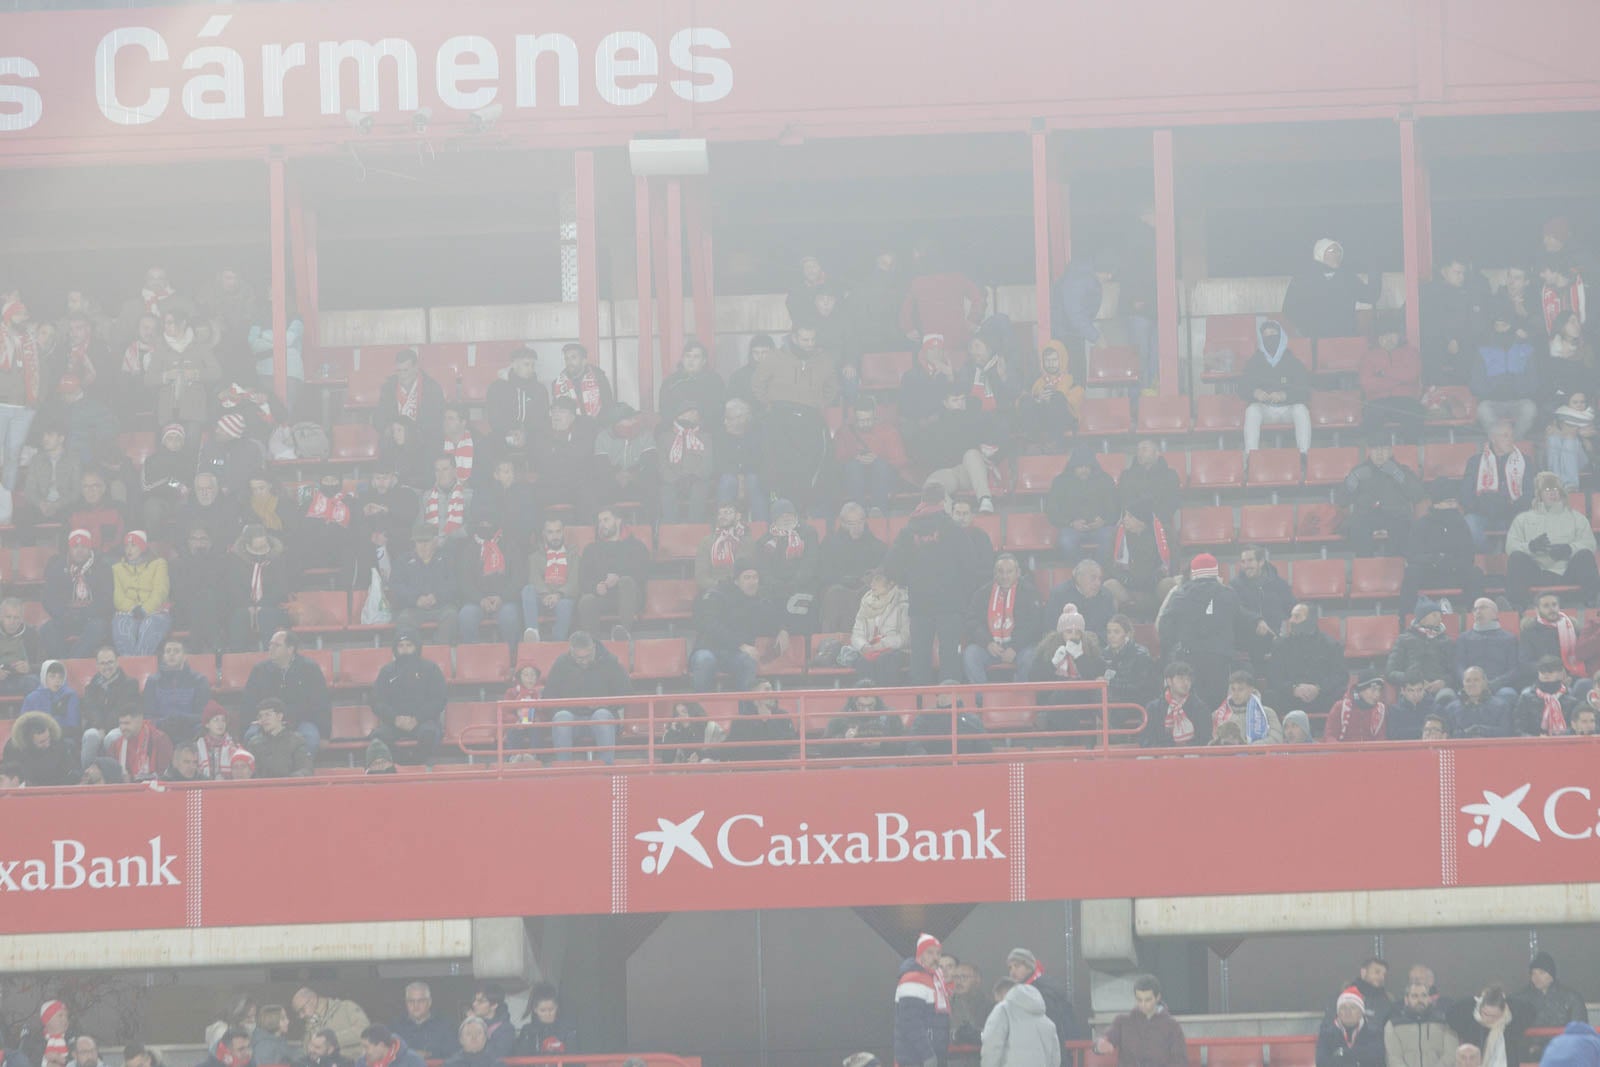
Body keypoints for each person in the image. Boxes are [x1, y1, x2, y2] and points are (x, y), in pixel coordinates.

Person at [1159, 554, 1272, 709]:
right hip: (1220, 660)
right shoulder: (1227, 593)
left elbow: (1165, 627)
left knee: (1191, 706)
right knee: (1217, 707)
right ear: (1215, 572)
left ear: (1194, 572)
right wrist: (1257, 620)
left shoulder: (1180, 595)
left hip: (1189, 658)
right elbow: (1241, 618)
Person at [886, 485, 969, 685]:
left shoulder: (908, 530)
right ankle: (949, 705)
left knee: (919, 656)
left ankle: (919, 704)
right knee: (949, 655)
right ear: (942, 502)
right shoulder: (952, 529)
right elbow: (969, 563)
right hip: (949, 604)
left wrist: (910, 581)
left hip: (919, 603)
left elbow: (892, 565)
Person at [1505, 471, 1600, 608]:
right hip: (1537, 571)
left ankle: (1593, 603)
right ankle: (1516, 606)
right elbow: (1511, 546)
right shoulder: (1523, 519)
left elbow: (1589, 544)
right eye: (1547, 489)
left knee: (1585, 556)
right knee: (1516, 558)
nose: (1552, 493)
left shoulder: (1577, 518)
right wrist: (1530, 547)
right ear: (1539, 494)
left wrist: (1570, 549)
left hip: (1566, 571)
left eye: (1555, 489)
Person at [691, 565, 788, 692]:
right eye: (747, 578)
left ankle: (746, 710)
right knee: (704, 660)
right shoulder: (718, 595)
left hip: (735, 654)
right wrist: (740, 645)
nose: (752, 582)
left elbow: (772, 618)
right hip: (709, 648)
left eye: (755, 577)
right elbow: (711, 625)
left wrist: (782, 629)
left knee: (747, 661)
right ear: (736, 581)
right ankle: (700, 708)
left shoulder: (759, 601)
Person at [916, 383, 1003, 515]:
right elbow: (927, 454)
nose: (960, 403)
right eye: (955, 400)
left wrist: (990, 455)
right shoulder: (936, 426)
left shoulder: (976, 419)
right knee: (931, 484)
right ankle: (952, 512)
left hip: (969, 471)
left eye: (962, 399)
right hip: (948, 471)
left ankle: (985, 500)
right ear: (945, 403)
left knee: (971, 454)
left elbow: (996, 441)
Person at [541, 631, 626, 764]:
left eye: (588, 656)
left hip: (602, 717)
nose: (584, 661)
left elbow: (626, 692)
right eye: (579, 658)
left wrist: (604, 705)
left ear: (593, 648)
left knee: (602, 715)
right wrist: (567, 707)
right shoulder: (561, 663)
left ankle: (608, 769)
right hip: (572, 719)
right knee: (561, 717)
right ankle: (564, 771)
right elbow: (548, 696)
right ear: (571, 651)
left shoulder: (610, 661)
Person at [242, 630, 330, 752]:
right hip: (266, 721)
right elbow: (248, 703)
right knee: (251, 737)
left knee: (311, 737)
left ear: (290, 649)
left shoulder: (310, 669)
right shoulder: (259, 671)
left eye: (276, 645)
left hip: (300, 722)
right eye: (270, 645)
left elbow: (322, 703)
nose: (271, 649)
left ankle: (299, 769)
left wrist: (325, 735)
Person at [370, 627, 447, 764]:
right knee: (378, 737)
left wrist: (417, 719)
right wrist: (395, 718)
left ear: (416, 647)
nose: (405, 649)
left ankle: (416, 763)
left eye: (409, 645)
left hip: (423, 721)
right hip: (394, 722)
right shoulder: (387, 671)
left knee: (429, 734)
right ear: (395, 648)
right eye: (401, 646)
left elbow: (438, 700)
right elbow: (377, 701)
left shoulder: (430, 669)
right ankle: (402, 763)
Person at [963, 554, 1043, 684]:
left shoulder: (1030, 592)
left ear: (1018, 573)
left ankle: (1021, 699)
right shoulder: (982, 593)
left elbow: (1034, 624)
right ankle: (982, 700)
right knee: (970, 654)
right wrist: (987, 643)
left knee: (1031, 657)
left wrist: (1015, 647)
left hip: (1020, 648)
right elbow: (972, 621)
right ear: (995, 573)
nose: (1005, 576)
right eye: (1001, 572)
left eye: (1009, 572)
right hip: (990, 647)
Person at [1402, 482, 1484, 608]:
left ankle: (1474, 618)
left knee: (1475, 573)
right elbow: (1412, 555)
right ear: (1437, 504)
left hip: (1454, 572)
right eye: (1448, 502)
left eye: (1453, 502)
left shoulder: (1460, 524)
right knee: (1411, 573)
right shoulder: (1422, 524)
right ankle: (1405, 619)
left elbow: (1468, 555)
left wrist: (1450, 561)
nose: (1452, 506)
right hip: (1429, 574)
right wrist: (1435, 559)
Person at [1336, 439, 1424, 556]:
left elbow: (1417, 496)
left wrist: (1398, 476)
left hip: (1395, 515)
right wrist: (1353, 480)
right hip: (1366, 515)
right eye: (1375, 449)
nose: (1379, 453)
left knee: (1402, 528)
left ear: (1390, 452)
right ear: (1369, 451)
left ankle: (1394, 568)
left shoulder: (1402, 470)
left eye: (1383, 449)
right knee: (1357, 528)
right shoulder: (1359, 471)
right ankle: (1366, 568)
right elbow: (1342, 501)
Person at [1241, 318, 1313, 459]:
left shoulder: (1292, 361)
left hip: (1288, 409)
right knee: (1252, 410)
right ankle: (1251, 457)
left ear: (1281, 337)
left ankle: (1304, 455)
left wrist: (1284, 395)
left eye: (1273, 334)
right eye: (1266, 336)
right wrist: (1255, 393)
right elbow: (1242, 386)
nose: (1270, 338)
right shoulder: (1255, 360)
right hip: (1265, 410)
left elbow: (1304, 389)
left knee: (1301, 410)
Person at [1284, 238, 1381, 339]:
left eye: (1339, 251)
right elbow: (1289, 308)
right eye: (1332, 251)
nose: (1337, 254)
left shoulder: (1347, 278)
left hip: (1344, 338)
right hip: (1315, 339)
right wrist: (1307, 328)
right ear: (1320, 253)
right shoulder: (1303, 278)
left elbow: (1371, 295)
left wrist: (1374, 270)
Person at [40, 529, 113, 660]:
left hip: (91, 618)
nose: (79, 550)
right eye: (75, 547)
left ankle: (69, 664)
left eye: (83, 547)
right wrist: (62, 614)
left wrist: (88, 612)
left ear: (90, 548)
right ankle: (64, 662)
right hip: (65, 617)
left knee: (99, 627)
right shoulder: (57, 566)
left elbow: (107, 599)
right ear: (69, 548)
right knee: (47, 629)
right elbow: (48, 597)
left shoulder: (102, 567)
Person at [1266, 603, 1349, 718]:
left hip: (1321, 698)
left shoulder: (1330, 645)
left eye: (1297, 617)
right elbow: (1274, 676)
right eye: (1291, 616)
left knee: (1340, 694)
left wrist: (1318, 688)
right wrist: (1293, 689)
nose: (1291, 621)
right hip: (1291, 698)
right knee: (1270, 696)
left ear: (1310, 620)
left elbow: (1341, 675)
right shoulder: (1280, 645)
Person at [577, 506, 649, 637]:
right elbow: (583, 579)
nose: (602, 524)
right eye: (599, 521)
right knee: (586, 600)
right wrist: (595, 587)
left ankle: (623, 633)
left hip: (630, 598)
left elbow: (643, 573)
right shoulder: (591, 549)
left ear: (618, 521)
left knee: (626, 582)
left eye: (606, 520)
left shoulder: (636, 546)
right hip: (604, 598)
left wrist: (619, 578)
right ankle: (591, 644)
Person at [1470, 301, 1540, 436]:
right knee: (1483, 410)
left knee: (1530, 409)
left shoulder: (1526, 349)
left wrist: (1519, 389)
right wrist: (1491, 390)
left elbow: (1534, 381)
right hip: (1492, 401)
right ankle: (1500, 443)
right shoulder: (1484, 350)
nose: (1501, 329)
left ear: (1512, 326)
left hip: (1518, 401)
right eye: (1497, 325)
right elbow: (1475, 383)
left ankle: (1514, 443)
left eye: (1505, 325)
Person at [818, 502, 888, 632]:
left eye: (860, 522)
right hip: (839, 590)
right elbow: (821, 573)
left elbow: (887, 566)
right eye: (851, 523)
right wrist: (842, 579)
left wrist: (874, 575)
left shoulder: (876, 545)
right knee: (835, 594)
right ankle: (829, 642)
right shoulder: (830, 544)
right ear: (843, 523)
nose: (856, 527)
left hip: (865, 590)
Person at [1461, 422, 1532, 550]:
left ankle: (1515, 558)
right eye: (1505, 436)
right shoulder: (1476, 462)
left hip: (1514, 512)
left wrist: (1511, 506)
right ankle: (1488, 558)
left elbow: (1530, 493)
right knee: (1469, 522)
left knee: (1528, 520)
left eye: (1511, 436)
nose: (1510, 440)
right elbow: (1466, 494)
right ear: (1493, 438)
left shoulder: (1524, 461)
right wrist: (1484, 505)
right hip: (1483, 513)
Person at [833, 397, 907, 517]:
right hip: (853, 476)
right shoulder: (844, 432)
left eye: (869, 420)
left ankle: (878, 511)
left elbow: (900, 460)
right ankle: (857, 512)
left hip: (883, 476)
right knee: (853, 466)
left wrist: (878, 459)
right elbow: (838, 459)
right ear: (854, 419)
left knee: (880, 465)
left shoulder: (888, 431)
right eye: (861, 420)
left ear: (875, 416)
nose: (865, 423)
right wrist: (854, 458)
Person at [454, 520, 523, 646]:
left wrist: (502, 597)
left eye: (488, 522)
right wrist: (480, 599)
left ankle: (511, 655)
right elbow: (464, 582)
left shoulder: (510, 546)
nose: (485, 526)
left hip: (505, 600)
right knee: (466, 616)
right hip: (477, 602)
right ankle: (472, 657)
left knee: (510, 616)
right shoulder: (468, 549)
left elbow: (518, 578)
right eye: (482, 523)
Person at [1092, 975, 1186, 1067]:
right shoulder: (1123, 1022)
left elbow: (1179, 1061)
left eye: (1148, 1000)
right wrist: (1099, 1046)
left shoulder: (1172, 1027)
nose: (1143, 1004)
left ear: (1158, 997)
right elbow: (1104, 1040)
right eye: (1139, 1000)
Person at [1045, 445, 1117, 563]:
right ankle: (1081, 572)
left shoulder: (1105, 480)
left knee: (1110, 537)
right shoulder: (1060, 482)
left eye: (1087, 466)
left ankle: (1098, 570)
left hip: (1101, 527)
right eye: (1080, 467)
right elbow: (1052, 511)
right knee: (1066, 541)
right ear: (1073, 467)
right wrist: (1071, 523)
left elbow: (1114, 508)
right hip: (1071, 528)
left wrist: (1104, 521)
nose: (1084, 470)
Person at [226, 524, 291, 652]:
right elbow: (233, 588)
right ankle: (238, 660)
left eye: (264, 547)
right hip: (243, 606)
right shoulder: (235, 562)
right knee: (240, 616)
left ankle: (272, 657)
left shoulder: (279, 560)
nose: (261, 552)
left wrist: (261, 606)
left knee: (265, 614)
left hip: (274, 607)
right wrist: (248, 606)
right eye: (257, 549)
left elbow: (281, 588)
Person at [390, 525, 459, 643]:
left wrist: (437, 597)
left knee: (451, 616)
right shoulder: (403, 560)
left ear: (435, 541)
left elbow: (453, 584)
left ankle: (440, 653)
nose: (422, 546)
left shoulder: (447, 559)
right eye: (419, 542)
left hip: (441, 606)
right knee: (404, 619)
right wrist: (416, 599)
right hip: (413, 607)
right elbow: (396, 586)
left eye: (426, 541)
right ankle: (412, 656)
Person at [1360, 317, 1426, 437]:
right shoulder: (1369, 356)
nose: (1387, 339)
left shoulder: (1411, 352)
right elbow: (1367, 384)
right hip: (1377, 401)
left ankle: (1410, 452)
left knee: (1415, 416)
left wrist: (1384, 373)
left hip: (1406, 400)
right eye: (1383, 336)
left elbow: (1411, 374)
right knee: (1370, 419)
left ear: (1398, 335)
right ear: (1377, 339)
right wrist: (1397, 381)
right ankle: (1376, 453)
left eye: (1391, 335)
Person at [894, 932, 951, 1067]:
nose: (935, 957)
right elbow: (911, 1022)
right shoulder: (914, 978)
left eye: (938, 953)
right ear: (920, 955)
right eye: (930, 953)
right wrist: (928, 1055)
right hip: (917, 1058)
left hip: (932, 1056)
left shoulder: (936, 979)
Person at [484, 342, 547, 461]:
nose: (530, 369)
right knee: (490, 444)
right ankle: (499, 477)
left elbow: (542, 419)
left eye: (533, 365)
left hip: (531, 435)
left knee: (544, 443)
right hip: (504, 433)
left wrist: (525, 432)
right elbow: (494, 417)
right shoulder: (497, 387)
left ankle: (538, 478)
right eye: (526, 364)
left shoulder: (540, 390)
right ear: (513, 364)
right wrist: (510, 431)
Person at [111, 529, 171, 656]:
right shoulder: (117, 568)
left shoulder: (159, 564)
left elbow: (160, 591)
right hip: (128, 612)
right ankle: (132, 667)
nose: (129, 550)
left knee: (149, 625)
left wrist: (144, 609)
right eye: (126, 546)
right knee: (122, 625)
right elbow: (118, 597)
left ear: (143, 547)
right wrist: (133, 609)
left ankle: (139, 666)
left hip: (155, 611)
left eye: (133, 545)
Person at [142, 635, 211, 743]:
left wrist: (182, 719)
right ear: (163, 656)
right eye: (168, 651)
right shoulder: (152, 681)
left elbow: (203, 715)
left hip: (190, 730)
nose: (171, 654)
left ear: (184, 656)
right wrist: (163, 722)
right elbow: (148, 715)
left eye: (176, 651)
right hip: (160, 731)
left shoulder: (199, 680)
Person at [521, 517, 578, 643]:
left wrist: (558, 594)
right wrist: (546, 594)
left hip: (563, 598)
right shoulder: (534, 556)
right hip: (542, 598)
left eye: (558, 532)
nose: (555, 536)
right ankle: (533, 634)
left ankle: (557, 641)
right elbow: (534, 579)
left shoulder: (573, 555)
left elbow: (575, 581)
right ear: (544, 534)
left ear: (563, 532)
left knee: (565, 604)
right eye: (550, 532)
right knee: (528, 589)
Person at [1446, 985, 1533, 1067]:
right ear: (1480, 1008)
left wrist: (1504, 999)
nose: (1489, 1019)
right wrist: (1477, 1000)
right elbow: (1450, 1013)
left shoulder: (1511, 1022)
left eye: (1494, 1016)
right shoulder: (1472, 1021)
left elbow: (1530, 1010)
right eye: (1485, 1014)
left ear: (1503, 1012)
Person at [980, 980, 1060, 1067]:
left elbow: (992, 1045)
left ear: (1003, 994)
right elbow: (1055, 1058)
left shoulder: (1003, 1010)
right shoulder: (1048, 1022)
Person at [1386, 598, 1457, 697]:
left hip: (1439, 692)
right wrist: (1410, 678)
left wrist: (1444, 682)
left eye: (1440, 615)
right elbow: (1390, 673)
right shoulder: (1404, 640)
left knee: (1447, 696)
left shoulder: (1447, 641)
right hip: (1411, 690)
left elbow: (1455, 672)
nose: (1440, 619)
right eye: (1434, 615)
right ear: (1422, 618)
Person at [715, 397, 767, 521]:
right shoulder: (720, 435)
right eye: (725, 418)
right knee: (727, 481)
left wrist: (743, 478)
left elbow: (758, 460)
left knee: (754, 481)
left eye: (729, 419)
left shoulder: (757, 433)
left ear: (742, 419)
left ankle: (760, 527)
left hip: (752, 474)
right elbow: (720, 463)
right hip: (730, 474)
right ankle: (725, 527)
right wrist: (739, 478)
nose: (725, 422)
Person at [80, 645, 136, 760]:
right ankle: (88, 773)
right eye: (103, 663)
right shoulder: (90, 687)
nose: (107, 667)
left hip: (120, 726)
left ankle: (113, 774)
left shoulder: (130, 684)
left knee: (112, 737)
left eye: (110, 662)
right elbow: (90, 710)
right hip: (97, 726)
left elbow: (122, 709)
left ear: (117, 662)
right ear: (97, 665)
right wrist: (99, 727)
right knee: (91, 735)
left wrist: (104, 729)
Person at [1050, 256, 1112, 361]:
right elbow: (1075, 314)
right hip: (1066, 334)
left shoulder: (1087, 278)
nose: (1110, 277)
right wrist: (1096, 337)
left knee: (1077, 371)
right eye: (1108, 273)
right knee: (1074, 372)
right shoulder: (1078, 280)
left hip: (1072, 332)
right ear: (1099, 270)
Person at [719, 680, 799, 761]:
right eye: (767, 690)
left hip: (776, 768)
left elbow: (787, 747)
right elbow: (730, 748)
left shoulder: (783, 716)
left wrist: (769, 721)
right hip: (748, 769)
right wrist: (708, 755)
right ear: (754, 696)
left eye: (772, 689)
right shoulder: (741, 720)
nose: (772, 693)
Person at [1385, 981, 1458, 1067]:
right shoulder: (1393, 1025)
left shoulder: (1445, 1023)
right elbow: (1393, 1057)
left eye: (1424, 995)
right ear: (1406, 999)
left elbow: (1451, 1055)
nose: (1420, 1000)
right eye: (1415, 996)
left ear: (1429, 998)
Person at [1520, 590, 1587, 681]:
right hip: (1543, 678)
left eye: (1554, 605)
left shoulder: (1572, 627)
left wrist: (1568, 676)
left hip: (1572, 676)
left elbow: (1583, 656)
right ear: (1537, 609)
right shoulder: (1529, 631)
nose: (1552, 609)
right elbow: (1525, 663)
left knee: (1584, 684)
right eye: (1546, 606)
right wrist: (1552, 673)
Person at [1120, 438, 1182, 535]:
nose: (1140, 453)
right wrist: (1136, 520)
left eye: (1144, 449)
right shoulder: (1127, 475)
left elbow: (1171, 503)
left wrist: (1151, 522)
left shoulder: (1170, 475)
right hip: (1134, 524)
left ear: (1157, 453)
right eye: (1138, 450)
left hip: (1160, 523)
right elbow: (1125, 500)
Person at [1230, 544, 1294, 637]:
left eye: (1250, 560)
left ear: (1261, 562)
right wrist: (1257, 620)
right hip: (1247, 638)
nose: (1246, 566)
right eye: (1243, 562)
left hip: (1274, 638)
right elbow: (1236, 609)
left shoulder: (1279, 584)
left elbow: (1291, 606)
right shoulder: (1235, 585)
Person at [1, 711, 79, 786]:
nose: (47, 744)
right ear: (28, 741)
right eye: (42, 742)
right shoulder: (13, 748)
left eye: (48, 738)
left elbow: (69, 771)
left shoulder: (58, 743)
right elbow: (9, 773)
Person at [1144, 660, 1208, 747]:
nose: (1186, 683)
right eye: (1181, 678)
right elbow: (1146, 739)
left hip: (1191, 755)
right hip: (1161, 756)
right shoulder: (1153, 708)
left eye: (1188, 679)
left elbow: (1204, 740)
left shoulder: (1200, 708)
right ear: (1169, 681)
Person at [1318, 987, 1388, 1067]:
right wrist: (1359, 1055)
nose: (1348, 1012)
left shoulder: (1375, 1032)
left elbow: (1378, 1059)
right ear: (1338, 1012)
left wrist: (1343, 1053)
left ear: (1361, 1012)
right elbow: (1321, 1062)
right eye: (1343, 1008)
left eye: (1353, 1008)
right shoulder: (1327, 1033)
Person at [292, 991, 371, 1061]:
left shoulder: (346, 1007)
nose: (301, 1016)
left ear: (312, 1000)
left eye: (302, 1010)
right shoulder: (311, 1024)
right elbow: (307, 1051)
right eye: (298, 1013)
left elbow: (365, 1032)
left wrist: (330, 1040)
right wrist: (310, 1029)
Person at [1103, 613, 1159, 708]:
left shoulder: (1140, 654)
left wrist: (1109, 683)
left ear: (1127, 634)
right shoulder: (1105, 653)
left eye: (1116, 632)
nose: (1111, 636)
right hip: (1112, 699)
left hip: (1134, 702)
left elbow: (1139, 686)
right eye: (1109, 632)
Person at [1520, 952, 1588, 1029]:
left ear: (1552, 975)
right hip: (1532, 1041)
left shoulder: (1571, 998)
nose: (1537, 977)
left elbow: (1579, 1030)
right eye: (1533, 973)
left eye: (1542, 973)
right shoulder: (1523, 999)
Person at [389, 984, 456, 1061]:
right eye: (411, 1001)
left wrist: (430, 1055)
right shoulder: (395, 1028)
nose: (416, 1005)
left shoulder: (446, 1026)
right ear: (406, 1003)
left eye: (421, 1001)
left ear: (429, 1002)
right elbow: (389, 1056)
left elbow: (454, 1055)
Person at [247, 699, 313, 778]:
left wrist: (287, 781)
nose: (263, 719)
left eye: (267, 715)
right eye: (260, 716)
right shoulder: (254, 743)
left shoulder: (296, 741)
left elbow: (305, 769)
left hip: (288, 788)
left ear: (279, 716)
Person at [1514, 656, 1577, 737]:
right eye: (1542, 671)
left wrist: (1560, 737)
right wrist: (1537, 739)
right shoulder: (1526, 698)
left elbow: (1575, 728)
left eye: (1550, 671)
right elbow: (1519, 729)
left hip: (1564, 744)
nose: (1546, 674)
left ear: (1561, 673)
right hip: (1533, 745)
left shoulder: (1571, 699)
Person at [106, 705, 174, 781]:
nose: (122, 728)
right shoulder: (116, 745)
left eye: (127, 723)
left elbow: (164, 775)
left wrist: (132, 779)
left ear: (139, 721)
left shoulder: (159, 740)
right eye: (120, 724)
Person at [551, 342, 614, 420]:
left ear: (584, 361)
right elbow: (556, 411)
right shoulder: (557, 384)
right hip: (572, 429)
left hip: (598, 427)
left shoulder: (599, 378)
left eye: (573, 357)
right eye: (567, 359)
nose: (569, 362)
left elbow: (609, 406)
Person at [514, 983, 578, 1058]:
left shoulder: (568, 1030)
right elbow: (521, 1058)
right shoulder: (528, 1031)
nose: (547, 1014)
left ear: (557, 1007)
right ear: (535, 1009)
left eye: (551, 1009)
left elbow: (574, 1057)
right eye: (543, 1010)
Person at [1324, 674, 1388, 742]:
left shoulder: (1380, 711)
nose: (1377, 694)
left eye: (1379, 690)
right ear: (1361, 689)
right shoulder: (1340, 707)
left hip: (1370, 752)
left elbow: (1381, 739)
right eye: (1373, 690)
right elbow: (1330, 736)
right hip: (1343, 751)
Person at [418, 456, 467, 541]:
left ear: (455, 471)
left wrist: (448, 537)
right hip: (432, 546)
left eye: (445, 469)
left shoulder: (467, 495)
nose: (441, 473)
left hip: (459, 545)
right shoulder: (426, 496)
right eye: (437, 470)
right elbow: (420, 525)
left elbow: (470, 527)